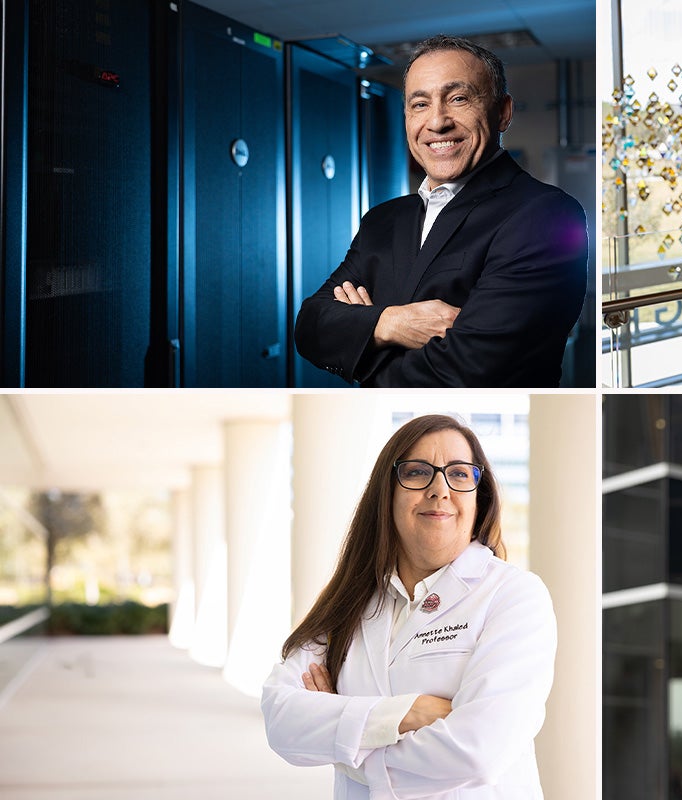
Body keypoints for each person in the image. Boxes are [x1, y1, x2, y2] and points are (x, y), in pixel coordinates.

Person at [262, 414, 557, 798]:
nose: (440, 489)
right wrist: (408, 713)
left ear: (478, 497)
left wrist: (345, 744)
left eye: (459, 474)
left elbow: (478, 752)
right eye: (418, 473)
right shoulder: (349, 603)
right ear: (387, 495)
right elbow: (282, 719)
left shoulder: (514, 595)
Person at [294, 35, 589, 388]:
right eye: (419, 104)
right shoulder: (383, 220)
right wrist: (390, 323)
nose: (437, 122)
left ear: (503, 112)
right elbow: (309, 326)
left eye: (458, 99)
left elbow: (470, 371)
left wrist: (359, 339)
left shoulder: (546, 215)